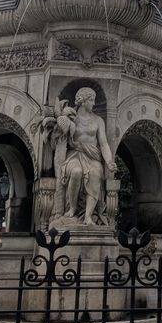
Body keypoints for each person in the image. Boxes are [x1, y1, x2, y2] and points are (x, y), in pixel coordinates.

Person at [60, 87, 116, 225]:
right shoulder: (71, 118)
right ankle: (72, 209)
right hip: (75, 154)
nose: (93, 103)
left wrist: (109, 161)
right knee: (76, 172)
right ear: (83, 101)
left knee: (96, 174)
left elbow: (103, 144)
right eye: (91, 100)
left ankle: (88, 216)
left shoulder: (98, 120)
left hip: (93, 156)